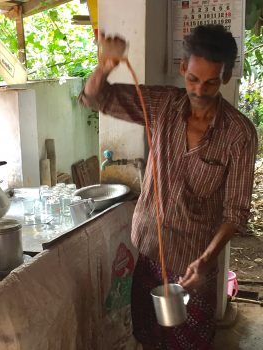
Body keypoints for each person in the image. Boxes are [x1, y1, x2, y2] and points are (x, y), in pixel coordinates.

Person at [79, 25, 257, 349]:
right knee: (148, 336)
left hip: (194, 263)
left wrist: (205, 261)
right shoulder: (162, 105)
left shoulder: (239, 135)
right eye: (192, 79)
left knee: (191, 342)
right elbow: (94, 97)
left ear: (226, 77)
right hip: (149, 250)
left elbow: (235, 213)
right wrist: (106, 64)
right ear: (182, 68)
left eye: (210, 82)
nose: (199, 91)